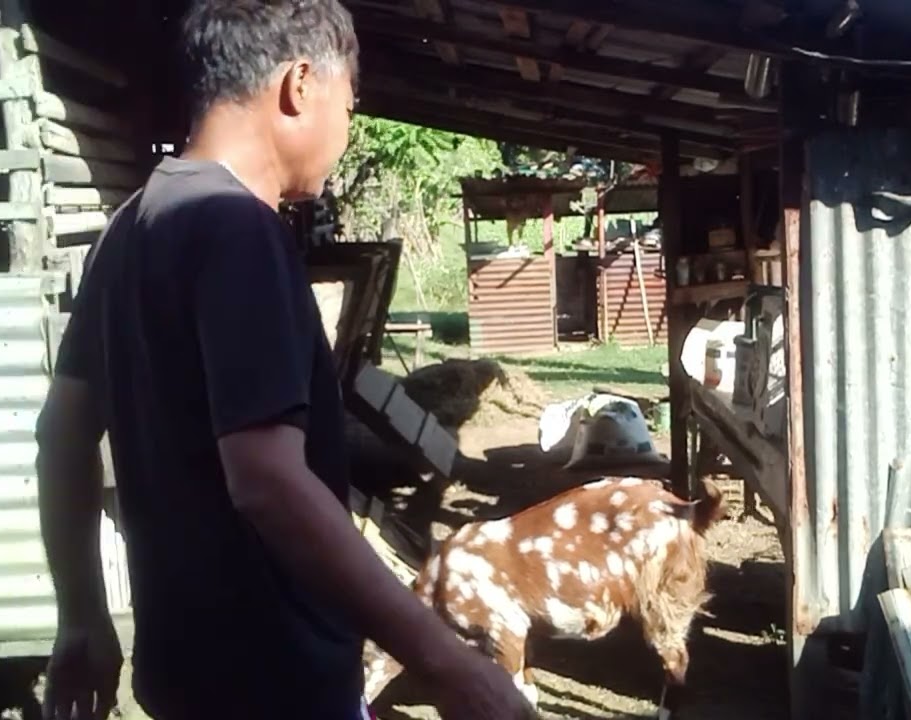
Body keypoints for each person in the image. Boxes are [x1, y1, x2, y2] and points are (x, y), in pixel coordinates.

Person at [32, 2, 534, 718]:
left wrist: (81, 614)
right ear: (301, 85)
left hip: (182, 678)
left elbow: (60, 436)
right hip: (278, 683)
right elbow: (266, 481)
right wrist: (450, 664)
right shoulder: (239, 227)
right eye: (351, 102)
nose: (348, 130)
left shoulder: (129, 229)